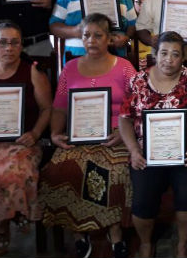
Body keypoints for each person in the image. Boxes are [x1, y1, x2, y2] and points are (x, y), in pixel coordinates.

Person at [40, 13, 136, 258]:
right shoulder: (70, 68)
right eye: (86, 35)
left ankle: (114, 232)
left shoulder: (124, 68)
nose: (91, 40)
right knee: (60, 169)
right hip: (79, 134)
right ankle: (78, 231)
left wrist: (124, 134)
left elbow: (138, 105)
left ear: (109, 38)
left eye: (98, 35)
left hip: (115, 135)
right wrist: (54, 133)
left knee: (110, 171)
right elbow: (60, 105)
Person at [119, 31, 187, 258]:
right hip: (147, 153)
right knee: (142, 199)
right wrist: (134, 150)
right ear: (155, 54)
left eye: (175, 54)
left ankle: (182, 243)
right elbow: (124, 118)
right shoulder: (138, 81)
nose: (168, 59)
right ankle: (145, 243)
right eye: (163, 53)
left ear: (183, 58)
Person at [0, 20, 52, 256]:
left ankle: (3, 223)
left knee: (12, 173)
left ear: (21, 45)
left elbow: (47, 109)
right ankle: (6, 215)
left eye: (14, 42)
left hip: (22, 143)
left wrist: (35, 133)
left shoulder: (32, 71)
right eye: (2, 43)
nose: (9, 48)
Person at [131, 0, 150, 69]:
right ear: (133, 4)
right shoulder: (129, 26)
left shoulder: (156, 23)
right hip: (135, 64)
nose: (143, 6)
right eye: (139, 2)